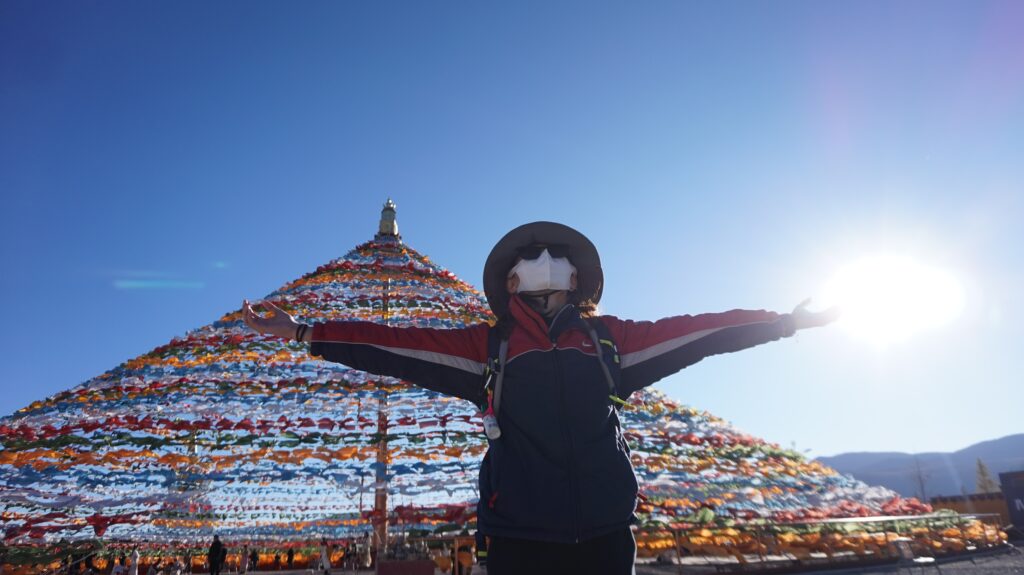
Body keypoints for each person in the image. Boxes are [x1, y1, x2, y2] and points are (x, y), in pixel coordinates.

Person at [243, 221, 838, 575]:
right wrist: (305, 331)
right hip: (521, 539)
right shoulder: (486, 348)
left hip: (606, 535)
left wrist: (784, 321)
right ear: (509, 282)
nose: (544, 263)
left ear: (578, 279)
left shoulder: (611, 343)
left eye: (555, 257)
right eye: (529, 257)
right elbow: (396, 344)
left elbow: (701, 331)